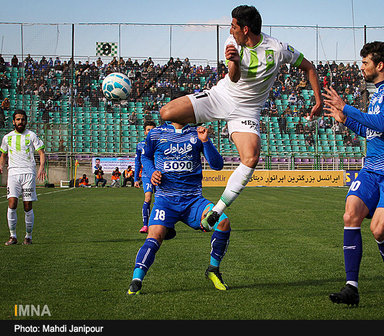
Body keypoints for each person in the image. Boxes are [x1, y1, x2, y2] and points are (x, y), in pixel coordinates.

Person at [159, 5, 322, 230]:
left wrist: (319, 100)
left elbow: (309, 67)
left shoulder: (277, 49)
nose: (230, 29)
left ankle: (216, 211)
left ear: (245, 29)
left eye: (234, 26)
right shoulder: (232, 41)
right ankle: (194, 136)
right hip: (220, 96)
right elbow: (233, 78)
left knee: (251, 157)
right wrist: (234, 60)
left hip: (247, 111)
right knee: (166, 113)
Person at [322, 41, 384, 306]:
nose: (361, 66)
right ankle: (351, 287)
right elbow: (372, 131)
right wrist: (347, 121)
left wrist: (347, 108)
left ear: (380, 65)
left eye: (365, 62)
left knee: (378, 230)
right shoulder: (376, 94)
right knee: (350, 212)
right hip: (372, 168)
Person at [127, 122, 230, 295]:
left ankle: (213, 270)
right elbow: (145, 157)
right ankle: (136, 281)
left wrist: (206, 141)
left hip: (193, 200)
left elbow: (217, 165)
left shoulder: (197, 133)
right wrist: (151, 171)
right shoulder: (155, 134)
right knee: (154, 236)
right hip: (165, 200)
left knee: (223, 222)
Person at [0, 109, 46, 245]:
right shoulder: (7, 137)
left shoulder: (31, 135)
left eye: (23, 119)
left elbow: (41, 153)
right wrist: (1, 165)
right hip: (13, 173)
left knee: (27, 205)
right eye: (18, 119)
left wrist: (41, 168)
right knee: (12, 203)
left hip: (28, 173)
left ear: (26, 121)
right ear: (13, 121)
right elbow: (3, 154)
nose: (20, 122)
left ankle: (28, 236)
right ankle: (12, 236)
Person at [134, 121, 156, 233]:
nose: (150, 132)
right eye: (148, 129)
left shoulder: (160, 143)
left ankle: (160, 224)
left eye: (153, 129)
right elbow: (137, 162)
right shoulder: (140, 145)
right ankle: (145, 225)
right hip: (147, 175)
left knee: (160, 200)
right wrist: (135, 179)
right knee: (148, 198)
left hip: (159, 176)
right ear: (145, 131)